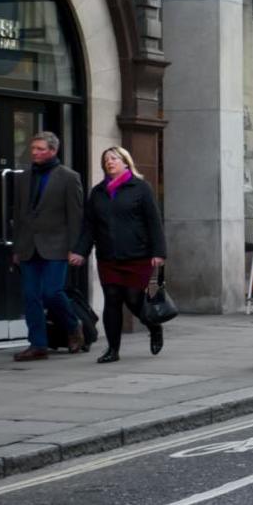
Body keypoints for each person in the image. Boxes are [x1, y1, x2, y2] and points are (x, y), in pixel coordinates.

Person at [75, 146, 168, 363]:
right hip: (108, 256)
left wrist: (159, 252)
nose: (109, 162)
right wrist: (80, 251)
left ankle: (154, 326)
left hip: (137, 255)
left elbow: (154, 221)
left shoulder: (141, 188)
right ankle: (112, 350)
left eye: (114, 158)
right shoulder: (98, 192)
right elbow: (89, 226)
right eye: (106, 159)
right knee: (112, 299)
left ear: (126, 162)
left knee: (134, 300)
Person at [9, 131, 85, 362]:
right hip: (28, 245)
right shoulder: (23, 177)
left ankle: (73, 326)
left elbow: (76, 216)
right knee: (31, 296)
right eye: (33, 148)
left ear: (53, 151)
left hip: (57, 246)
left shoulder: (69, 177)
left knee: (51, 293)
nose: (35, 153)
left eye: (40, 149)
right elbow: (18, 214)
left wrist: (76, 248)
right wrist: (17, 248)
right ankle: (38, 344)